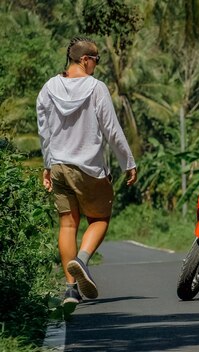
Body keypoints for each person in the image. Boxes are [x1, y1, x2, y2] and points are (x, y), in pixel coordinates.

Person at [37, 37, 137, 309]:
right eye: (96, 59)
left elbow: (44, 131)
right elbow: (111, 129)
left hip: (58, 166)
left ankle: (70, 290)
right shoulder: (96, 88)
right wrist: (128, 162)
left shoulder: (48, 88)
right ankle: (82, 259)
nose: (97, 65)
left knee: (67, 225)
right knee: (100, 219)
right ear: (84, 60)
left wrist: (47, 166)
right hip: (89, 168)